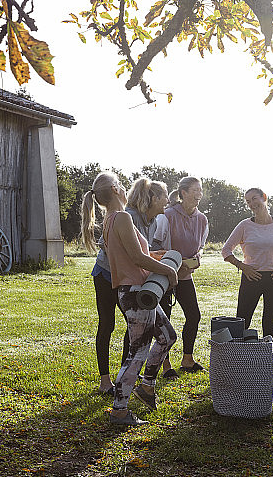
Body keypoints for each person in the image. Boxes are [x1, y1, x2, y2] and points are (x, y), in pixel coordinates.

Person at [82, 172, 179, 426]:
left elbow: (138, 254)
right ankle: (119, 410)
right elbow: (136, 259)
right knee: (137, 352)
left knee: (168, 336)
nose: (125, 189)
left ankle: (146, 386)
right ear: (115, 189)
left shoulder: (114, 219)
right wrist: (168, 270)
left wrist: (160, 256)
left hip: (141, 291)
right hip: (135, 294)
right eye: (122, 185)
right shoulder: (121, 217)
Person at [222, 188, 273, 340]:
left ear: (264, 197)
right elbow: (226, 250)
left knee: (269, 324)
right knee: (242, 322)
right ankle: (238, 360)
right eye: (248, 201)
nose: (251, 204)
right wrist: (242, 266)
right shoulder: (245, 225)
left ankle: (267, 362)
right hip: (251, 278)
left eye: (254, 199)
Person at [125, 177, 179, 378]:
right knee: (137, 334)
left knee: (148, 334)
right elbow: (133, 256)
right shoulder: (129, 217)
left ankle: (138, 378)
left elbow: (142, 253)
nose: (168, 200)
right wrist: (168, 270)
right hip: (121, 281)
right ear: (154, 198)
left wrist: (158, 256)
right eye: (165, 196)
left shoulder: (154, 221)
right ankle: (128, 381)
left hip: (139, 278)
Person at [162, 176, 208, 373]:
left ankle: (187, 360)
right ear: (183, 193)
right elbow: (157, 246)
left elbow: (202, 246)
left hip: (186, 275)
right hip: (164, 275)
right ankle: (164, 364)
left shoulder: (202, 219)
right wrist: (172, 266)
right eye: (195, 190)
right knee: (165, 320)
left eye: (200, 190)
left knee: (193, 315)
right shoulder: (167, 215)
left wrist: (197, 257)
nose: (199, 194)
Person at [89, 233, 130, 397]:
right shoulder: (126, 215)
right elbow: (103, 244)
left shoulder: (153, 220)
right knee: (107, 325)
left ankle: (125, 373)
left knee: (133, 323)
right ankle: (105, 382)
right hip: (105, 274)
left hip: (126, 276)